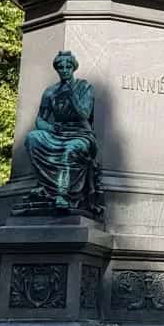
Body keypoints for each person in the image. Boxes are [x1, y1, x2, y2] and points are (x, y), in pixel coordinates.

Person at [20, 51, 101, 215]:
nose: (64, 70)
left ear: (73, 68)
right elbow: (40, 119)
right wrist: (50, 128)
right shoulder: (50, 92)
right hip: (58, 133)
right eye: (60, 67)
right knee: (32, 138)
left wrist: (71, 95)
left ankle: (63, 193)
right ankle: (47, 186)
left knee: (71, 149)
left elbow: (84, 114)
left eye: (68, 67)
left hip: (81, 134)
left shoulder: (85, 88)